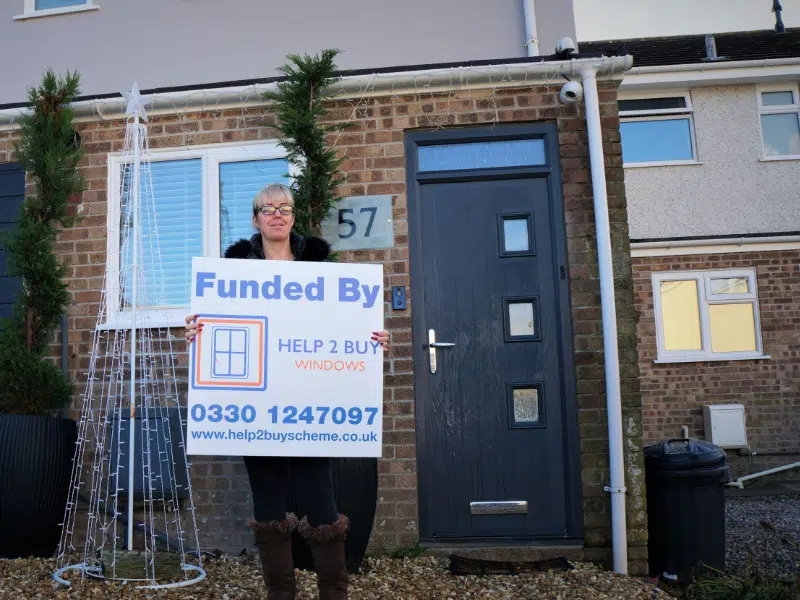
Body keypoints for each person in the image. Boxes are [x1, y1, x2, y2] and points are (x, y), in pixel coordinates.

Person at [184, 183, 390, 600]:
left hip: (309, 401)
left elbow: (342, 321)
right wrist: (197, 332)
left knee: (320, 496)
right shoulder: (235, 267)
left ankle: (334, 592)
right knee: (268, 496)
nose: (277, 214)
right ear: (256, 218)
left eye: (285, 208)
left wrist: (372, 338)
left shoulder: (319, 262)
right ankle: (282, 594)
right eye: (268, 208)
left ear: (293, 216)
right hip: (258, 405)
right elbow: (222, 324)